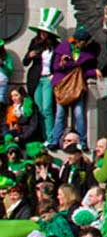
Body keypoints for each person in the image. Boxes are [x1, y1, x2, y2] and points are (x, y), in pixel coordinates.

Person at [48, 25, 99, 150]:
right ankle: (55, 140)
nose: (84, 44)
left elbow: (85, 71)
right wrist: (62, 63)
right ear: (78, 41)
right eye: (83, 42)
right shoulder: (63, 48)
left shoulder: (87, 53)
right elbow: (54, 68)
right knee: (60, 114)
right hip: (63, 86)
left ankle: (82, 141)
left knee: (79, 113)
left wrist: (94, 72)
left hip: (77, 86)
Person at [25, 8, 63, 143]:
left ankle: (51, 137)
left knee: (47, 108)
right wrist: (29, 55)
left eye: (45, 32)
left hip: (48, 79)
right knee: (39, 109)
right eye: (41, 31)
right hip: (36, 79)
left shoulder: (56, 46)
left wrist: (55, 74)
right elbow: (25, 62)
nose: (42, 34)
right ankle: (43, 137)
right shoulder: (34, 43)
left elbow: (59, 63)